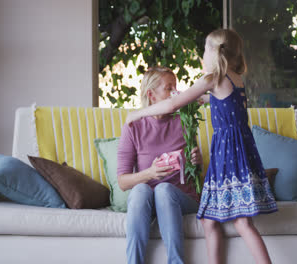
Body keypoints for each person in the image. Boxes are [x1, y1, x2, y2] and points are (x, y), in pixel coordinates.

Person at [125, 29, 277, 264]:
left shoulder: (212, 79)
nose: (202, 55)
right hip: (240, 153)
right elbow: (216, 101)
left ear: (216, 53)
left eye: (205, 49)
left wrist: (136, 114)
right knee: (210, 220)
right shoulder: (234, 79)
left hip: (228, 155)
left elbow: (172, 105)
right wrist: (196, 97)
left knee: (241, 222)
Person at [117, 66, 203, 264]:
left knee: (164, 190)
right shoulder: (133, 127)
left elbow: (195, 172)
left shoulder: (184, 121)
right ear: (151, 95)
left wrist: (196, 161)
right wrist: (150, 173)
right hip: (147, 199)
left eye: (176, 87)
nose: (175, 93)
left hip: (182, 197)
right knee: (139, 191)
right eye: (168, 88)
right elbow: (122, 182)